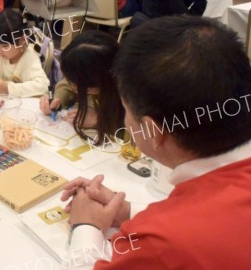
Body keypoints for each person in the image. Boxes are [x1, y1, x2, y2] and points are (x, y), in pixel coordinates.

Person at [61, 16, 251, 269]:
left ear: (154, 131)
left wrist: (87, 226)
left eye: (127, 109)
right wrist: (129, 210)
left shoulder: (164, 242)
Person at [39, 31, 122, 144]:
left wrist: (98, 120)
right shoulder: (86, 76)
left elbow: (131, 136)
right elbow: (67, 83)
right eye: (71, 81)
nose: (74, 89)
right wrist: (58, 98)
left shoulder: (129, 96)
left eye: (83, 88)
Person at [0, 9, 49, 97]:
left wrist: (7, 88)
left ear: (22, 40)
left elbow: (43, 85)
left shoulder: (30, 58)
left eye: (5, 46)